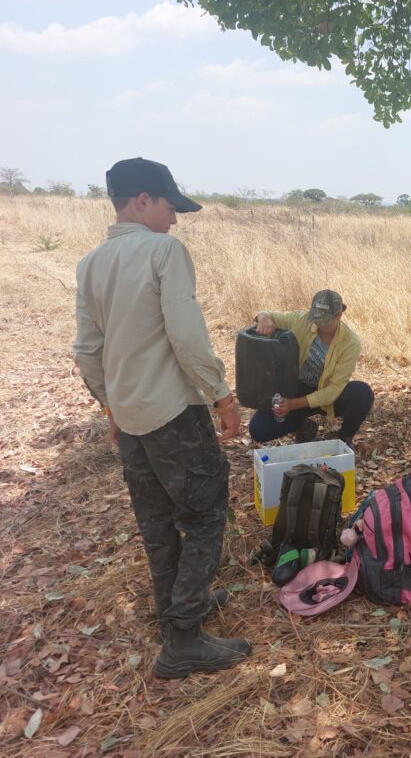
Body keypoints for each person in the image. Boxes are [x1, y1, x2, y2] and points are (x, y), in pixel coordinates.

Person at [73, 157, 251, 679]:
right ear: (144, 200)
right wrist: (221, 396)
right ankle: (183, 641)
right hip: (173, 412)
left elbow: (87, 350)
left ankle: (176, 608)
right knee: (205, 514)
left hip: (129, 417)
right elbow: (188, 335)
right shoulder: (163, 251)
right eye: (170, 206)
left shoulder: (91, 263)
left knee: (156, 522)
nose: (175, 219)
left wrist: (109, 404)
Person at [248, 290, 374, 450]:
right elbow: (267, 314)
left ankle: (344, 439)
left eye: (326, 320)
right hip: (296, 389)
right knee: (259, 429)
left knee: (362, 393)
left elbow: (334, 389)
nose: (321, 324)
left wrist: (293, 405)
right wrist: (264, 318)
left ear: (339, 315)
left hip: (327, 396)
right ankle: (302, 426)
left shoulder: (351, 343)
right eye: (317, 318)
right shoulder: (302, 319)